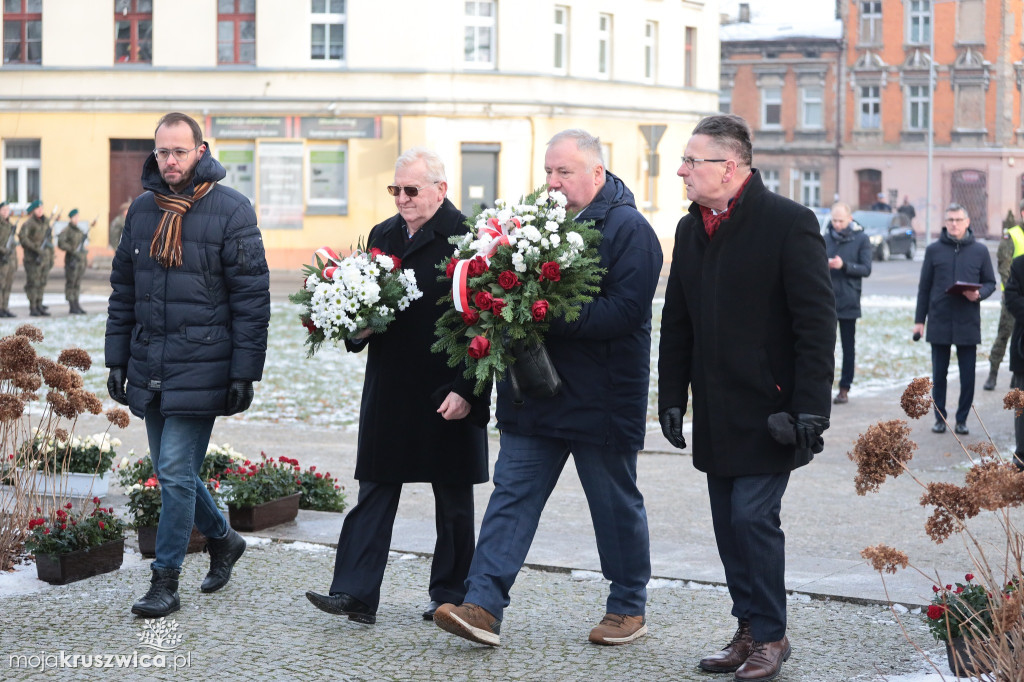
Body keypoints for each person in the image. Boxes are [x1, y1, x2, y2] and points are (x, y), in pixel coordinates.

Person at [433, 129, 662, 647]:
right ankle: (483, 605)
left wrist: (543, 313)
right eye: (549, 173)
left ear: (597, 173)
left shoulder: (630, 229)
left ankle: (627, 606)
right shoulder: (531, 227)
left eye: (566, 172)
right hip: (534, 394)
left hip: (602, 399)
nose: (554, 183)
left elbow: (625, 312)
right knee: (510, 497)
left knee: (614, 505)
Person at [658, 114, 835, 681]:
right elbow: (677, 321)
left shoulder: (789, 222)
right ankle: (749, 627)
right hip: (715, 409)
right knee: (728, 525)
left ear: (728, 167)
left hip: (773, 412)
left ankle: (772, 636)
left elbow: (816, 322)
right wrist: (672, 396)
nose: (682, 169)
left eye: (692, 160)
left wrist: (811, 408)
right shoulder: (691, 229)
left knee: (753, 519)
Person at [305, 148, 489, 625]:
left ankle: (449, 595)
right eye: (396, 190)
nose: (402, 199)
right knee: (375, 491)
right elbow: (362, 310)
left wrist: (467, 391)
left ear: (440, 190)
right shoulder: (384, 235)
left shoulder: (468, 238)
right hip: (389, 387)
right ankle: (354, 593)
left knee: (452, 502)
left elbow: (486, 324)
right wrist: (354, 328)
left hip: (445, 388)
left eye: (411, 190)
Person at [105, 112, 270, 618]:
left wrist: (245, 372)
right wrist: (116, 360)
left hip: (204, 364)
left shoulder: (232, 210)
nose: (170, 160)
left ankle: (165, 580)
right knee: (170, 470)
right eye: (162, 152)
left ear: (202, 150)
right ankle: (223, 539)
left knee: (175, 470)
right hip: (150, 361)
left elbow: (252, 299)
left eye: (179, 151)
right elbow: (123, 292)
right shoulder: (141, 211)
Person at [913, 203, 996, 435]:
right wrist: (920, 320)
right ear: (945, 222)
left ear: (967, 222)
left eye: (958, 220)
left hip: (967, 321)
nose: (954, 224)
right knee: (939, 375)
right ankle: (940, 418)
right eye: (950, 220)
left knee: (967, 375)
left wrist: (978, 294)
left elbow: (991, 282)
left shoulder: (980, 251)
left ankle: (962, 419)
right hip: (940, 319)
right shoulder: (934, 250)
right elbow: (924, 287)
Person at [825, 202, 872, 404]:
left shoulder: (861, 239)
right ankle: (823, 386)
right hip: (826, 300)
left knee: (847, 347)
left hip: (849, 300)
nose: (837, 224)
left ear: (850, 219)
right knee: (824, 347)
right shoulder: (825, 238)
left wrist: (844, 266)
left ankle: (845, 387)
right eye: (834, 220)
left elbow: (866, 269)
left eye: (841, 221)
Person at [983, 203, 1024, 391]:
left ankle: (1017, 377)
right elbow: (1004, 264)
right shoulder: (1012, 234)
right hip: (1013, 296)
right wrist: (1011, 292)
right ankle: (993, 373)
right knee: (1004, 334)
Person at [1000, 250, 1024, 470]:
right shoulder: (1019, 264)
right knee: (1022, 406)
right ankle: (1021, 456)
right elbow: (1011, 298)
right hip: (1023, 348)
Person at [18, 199, 56, 317]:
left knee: (41, 282)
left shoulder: (45, 222)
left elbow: (49, 238)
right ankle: (33, 306)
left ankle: (40, 305)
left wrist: (50, 255)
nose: (40, 211)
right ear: (33, 210)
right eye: (37, 209)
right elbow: (23, 239)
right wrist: (36, 248)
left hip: (44, 258)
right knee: (33, 283)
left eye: (41, 208)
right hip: (33, 259)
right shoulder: (29, 223)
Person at [57, 208, 90, 315]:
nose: (77, 219)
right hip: (72, 261)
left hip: (80, 261)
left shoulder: (78, 230)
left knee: (77, 283)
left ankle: (76, 303)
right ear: (71, 218)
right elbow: (61, 243)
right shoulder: (67, 230)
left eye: (78, 217)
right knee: (71, 283)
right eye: (75, 217)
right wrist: (72, 249)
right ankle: (72, 305)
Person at [0, 202, 16, 317]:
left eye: (7, 210)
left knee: (8, 285)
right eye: (3, 210)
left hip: (9, 260)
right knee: (1, 285)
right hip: (1, 259)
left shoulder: (9, 224)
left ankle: (5, 308)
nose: (6, 212)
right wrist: (4, 250)